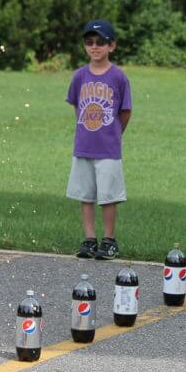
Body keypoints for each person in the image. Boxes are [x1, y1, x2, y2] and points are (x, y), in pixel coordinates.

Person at [66, 19, 132, 260]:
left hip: (108, 148)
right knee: (86, 195)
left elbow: (125, 112)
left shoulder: (118, 77)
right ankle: (90, 239)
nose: (95, 47)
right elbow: (77, 107)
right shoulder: (79, 76)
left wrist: (112, 133)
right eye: (89, 42)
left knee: (108, 197)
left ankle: (109, 240)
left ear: (111, 46)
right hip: (84, 146)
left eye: (100, 42)